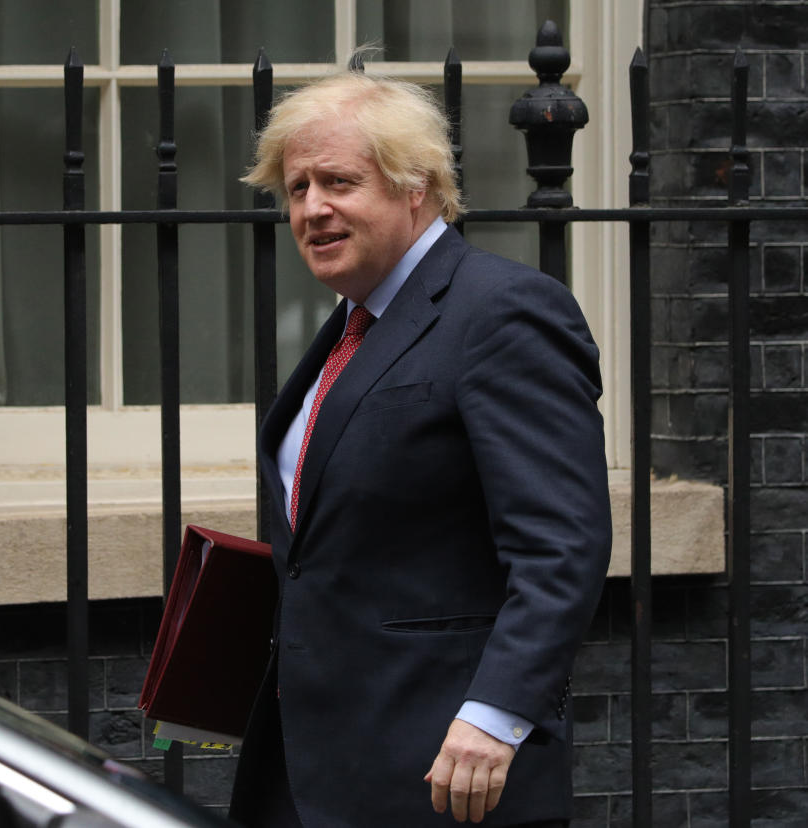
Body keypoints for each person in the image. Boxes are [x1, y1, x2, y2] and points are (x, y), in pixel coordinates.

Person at [227, 70, 611, 827]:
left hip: (446, 775)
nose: (312, 208)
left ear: (417, 186)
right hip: (312, 769)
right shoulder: (350, 326)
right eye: (296, 188)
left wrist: (496, 716)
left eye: (338, 181)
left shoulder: (501, 312)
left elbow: (561, 544)